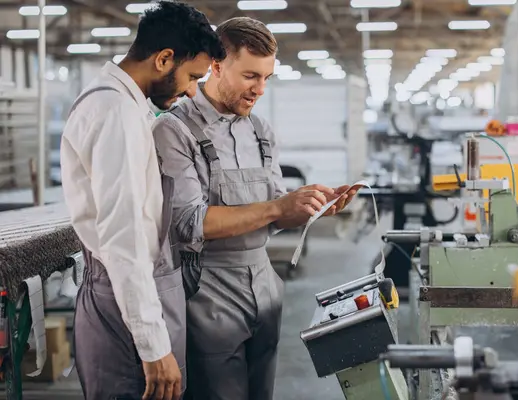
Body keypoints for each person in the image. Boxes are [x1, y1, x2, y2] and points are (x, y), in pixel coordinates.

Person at [152, 16, 357, 400]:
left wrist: (311, 207)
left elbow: (276, 217)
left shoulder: (260, 131)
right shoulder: (175, 130)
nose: (260, 89)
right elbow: (188, 222)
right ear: (215, 65)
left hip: (264, 284)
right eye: (250, 76)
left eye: (266, 78)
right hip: (207, 291)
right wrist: (279, 206)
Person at [60, 2, 224, 399]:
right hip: (123, 308)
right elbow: (124, 238)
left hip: (129, 297)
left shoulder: (122, 104)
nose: (190, 91)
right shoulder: (115, 112)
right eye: (191, 77)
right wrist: (153, 347)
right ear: (164, 59)